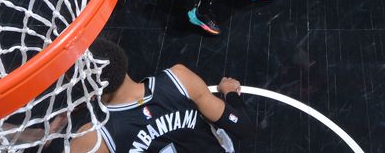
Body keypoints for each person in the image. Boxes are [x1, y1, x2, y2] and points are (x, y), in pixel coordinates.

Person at [69, 38, 254, 152]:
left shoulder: (92, 138)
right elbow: (243, 127)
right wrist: (230, 93)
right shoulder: (179, 79)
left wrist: (48, 133)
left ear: (90, 93)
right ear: (122, 58)